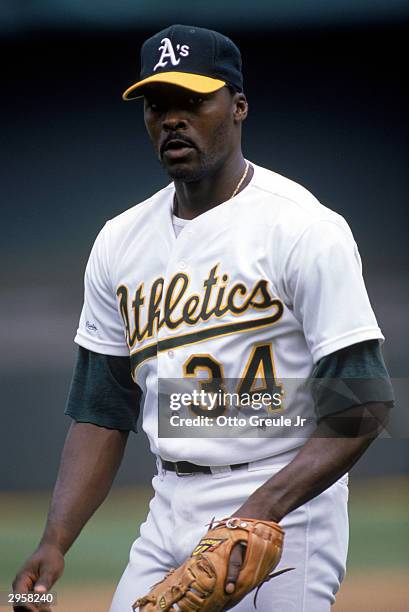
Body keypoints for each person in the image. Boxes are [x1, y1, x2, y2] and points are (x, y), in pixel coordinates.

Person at [13, 24, 393, 612]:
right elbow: (102, 410)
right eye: (158, 105)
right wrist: (56, 540)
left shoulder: (303, 228)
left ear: (238, 107)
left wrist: (260, 510)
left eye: (193, 101)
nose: (172, 119)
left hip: (284, 503)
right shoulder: (119, 241)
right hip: (168, 502)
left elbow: (363, 403)